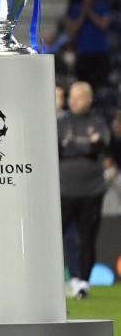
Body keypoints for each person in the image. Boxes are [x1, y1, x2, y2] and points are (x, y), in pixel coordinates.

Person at [57, 81, 110, 299]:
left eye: (79, 97)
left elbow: (100, 145)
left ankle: (83, 283)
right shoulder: (60, 123)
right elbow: (56, 147)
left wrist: (71, 146)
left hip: (92, 191)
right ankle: (56, 281)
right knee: (56, 238)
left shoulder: (98, 121)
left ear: (89, 99)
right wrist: (86, 145)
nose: (74, 101)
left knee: (87, 238)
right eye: (72, 96)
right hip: (63, 190)